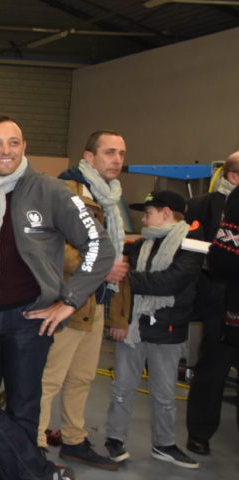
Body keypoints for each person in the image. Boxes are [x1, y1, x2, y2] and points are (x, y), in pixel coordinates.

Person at [0, 116, 113, 480]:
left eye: (13, 142)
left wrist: (69, 300)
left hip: (29, 319)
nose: (5, 151)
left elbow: (100, 246)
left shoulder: (51, 191)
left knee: (23, 412)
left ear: (24, 146)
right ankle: (42, 472)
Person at [37, 131, 130, 471]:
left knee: (82, 377)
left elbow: (115, 251)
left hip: (97, 301)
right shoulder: (66, 191)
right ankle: (34, 443)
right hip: (69, 299)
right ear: (89, 157)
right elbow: (55, 247)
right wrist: (101, 269)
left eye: (121, 153)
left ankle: (74, 439)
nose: (116, 159)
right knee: (49, 378)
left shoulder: (111, 197)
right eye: (109, 152)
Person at [102, 190, 203, 469]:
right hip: (133, 328)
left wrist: (128, 277)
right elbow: (123, 285)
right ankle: (114, 439)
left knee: (164, 393)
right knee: (122, 387)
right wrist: (120, 320)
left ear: (167, 213)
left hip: (169, 330)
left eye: (148, 213)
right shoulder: (141, 245)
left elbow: (170, 282)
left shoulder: (191, 245)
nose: (144, 219)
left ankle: (164, 444)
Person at [185, 151, 239, 455]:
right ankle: (200, 432)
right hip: (218, 298)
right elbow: (194, 252)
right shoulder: (202, 205)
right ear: (233, 177)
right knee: (213, 367)